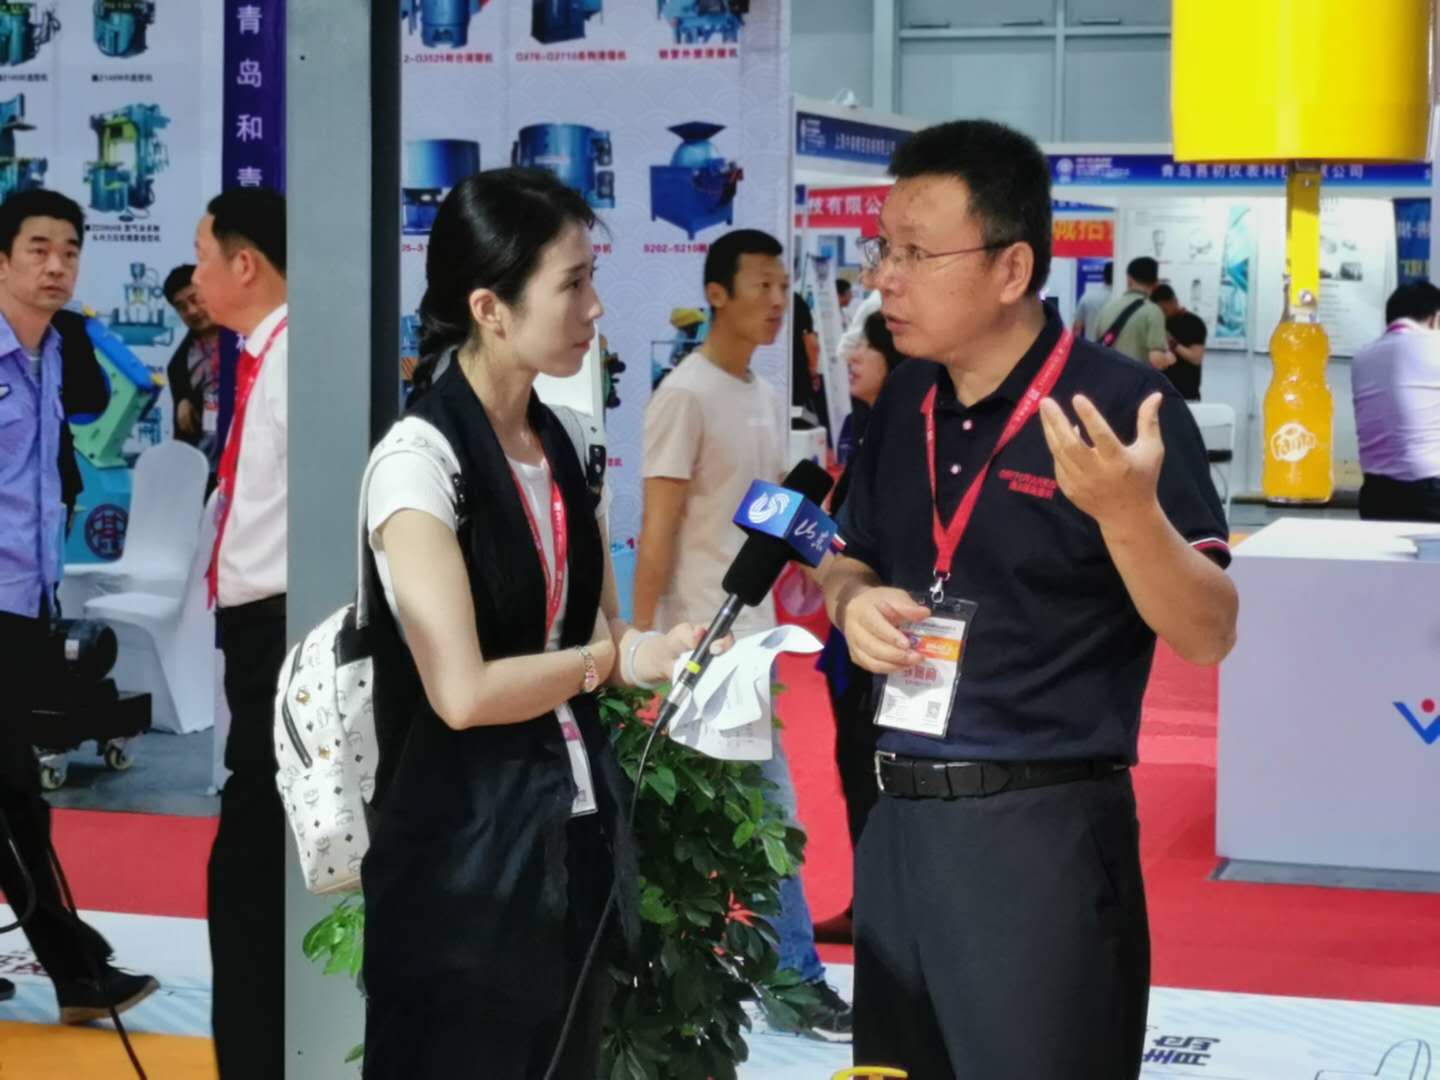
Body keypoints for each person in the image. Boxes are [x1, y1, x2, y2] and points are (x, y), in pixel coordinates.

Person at [819, 119, 1237, 1078]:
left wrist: (1128, 514)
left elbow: (1210, 631)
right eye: (884, 250)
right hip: (895, 825)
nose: (885, 280)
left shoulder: (1117, 408)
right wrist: (850, 598)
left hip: (1038, 838)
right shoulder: (905, 400)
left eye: (916, 254)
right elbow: (846, 553)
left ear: (1011, 268)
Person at [358, 167, 716, 1076]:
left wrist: (659, 653)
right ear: (490, 308)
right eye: (573, 283)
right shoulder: (418, 462)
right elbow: (463, 692)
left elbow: (597, 632)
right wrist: (600, 664)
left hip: (574, 838)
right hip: (462, 867)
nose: (596, 308)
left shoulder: (568, 443)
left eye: (593, 278)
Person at [634, 228, 853, 1042]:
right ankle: (794, 981)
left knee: (719, 819)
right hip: (701, 640)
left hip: (753, 636)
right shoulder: (684, 395)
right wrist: (640, 643)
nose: (776, 300)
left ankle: (701, 973)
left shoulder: (760, 393)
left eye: (782, 285)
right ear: (716, 294)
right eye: (761, 284)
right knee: (766, 815)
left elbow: (766, 514)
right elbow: (659, 526)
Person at [0, 189, 158, 1021]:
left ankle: (75, 965)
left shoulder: (60, 349)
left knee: (15, 791)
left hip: (28, 600)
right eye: (37, 249)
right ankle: (74, 968)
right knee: (17, 793)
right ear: (1, 259)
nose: (56, 265)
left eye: (68, 250)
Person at [191, 186, 288, 1079]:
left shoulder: (294, 361)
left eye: (204, 256)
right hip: (255, 635)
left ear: (244, 263)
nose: (196, 276)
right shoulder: (264, 356)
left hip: (284, 638)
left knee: (249, 880)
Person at [813, 311, 905, 945]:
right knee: (856, 764)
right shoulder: (864, 428)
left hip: (883, 634)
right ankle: (869, 900)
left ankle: (881, 907)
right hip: (850, 630)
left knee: (874, 767)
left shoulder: (896, 437)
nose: (851, 358)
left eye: (863, 348)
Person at [1352, 280, 1440, 521]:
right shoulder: (1434, 346)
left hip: (1375, 496)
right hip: (1430, 495)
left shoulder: (1361, 357)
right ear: (1435, 319)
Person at [162, 264, 222, 485]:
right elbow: (183, 430)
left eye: (195, 299)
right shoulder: (178, 364)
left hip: (249, 465)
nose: (192, 311)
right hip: (206, 473)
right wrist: (183, 399)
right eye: (181, 307)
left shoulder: (248, 339)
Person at [1094, 255, 1173, 371]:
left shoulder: (1107, 308)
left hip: (1107, 376)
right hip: (1136, 380)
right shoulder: (1153, 311)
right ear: (1156, 283)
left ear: (1129, 280)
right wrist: (1168, 358)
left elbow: (1097, 347)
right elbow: (1156, 359)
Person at [1150, 282, 1208, 402]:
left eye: (1164, 310)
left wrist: (1172, 343)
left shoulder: (1193, 323)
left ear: (1174, 302)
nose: (1162, 314)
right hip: (1159, 393)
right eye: (1158, 311)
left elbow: (1196, 358)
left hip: (1186, 394)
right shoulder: (1156, 322)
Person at [1072, 260, 1113, 341]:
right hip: (1117, 348)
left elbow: (1077, 329)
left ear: (1103, 275)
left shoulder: (1088, 297)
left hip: (1092, 345)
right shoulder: (1122, 298)